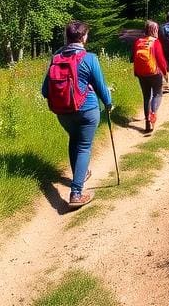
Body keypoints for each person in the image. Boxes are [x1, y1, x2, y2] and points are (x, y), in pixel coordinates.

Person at [41, 20, 112, 208]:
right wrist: (109, 103)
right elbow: (101, 88)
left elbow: (44, 91)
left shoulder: (56, 58)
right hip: (87, 110)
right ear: (84, 37)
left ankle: (79, 176)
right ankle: (76, 193)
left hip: (63, 112)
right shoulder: (90, 58)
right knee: (84, 147)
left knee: (74, 140)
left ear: (67, 37)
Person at [132, 20, 168, 134]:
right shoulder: (155, 42)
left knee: (146, 96)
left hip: (141, 73)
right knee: (157, 93)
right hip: (154, 73)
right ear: (155, 30)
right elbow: (161, 60)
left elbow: (132, 58)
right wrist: (165, 73)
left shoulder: (137, 41)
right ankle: (153, 113)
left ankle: (147, 122)